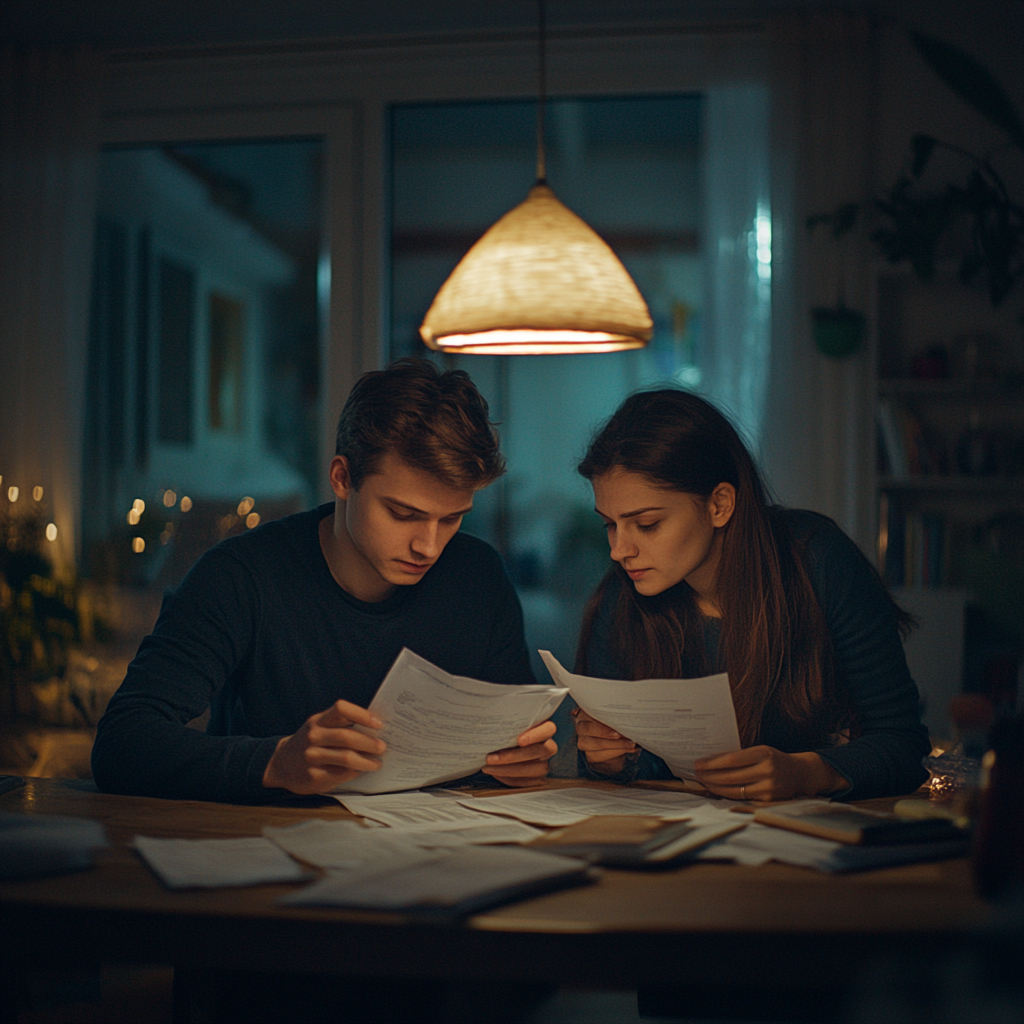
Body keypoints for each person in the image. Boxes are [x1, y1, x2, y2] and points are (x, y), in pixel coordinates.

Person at [92, 358, 557, 802]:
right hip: (266, 853)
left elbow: (516, 741)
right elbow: (122, 743)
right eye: (403, 514)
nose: (429, 547)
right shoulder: (239, 577)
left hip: (440, 854)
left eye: (452, 518)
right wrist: (274, 763)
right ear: (341, 477)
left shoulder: (478, 576)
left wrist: (523, 760)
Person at [571, 389, 930, 801]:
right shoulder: (621, 598)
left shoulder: (816, 560)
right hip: (681, 838)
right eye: (609, 525)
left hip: (815, 842)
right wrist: (610, 759)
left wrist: (810, 772)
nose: (619, 551)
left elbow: (904, 745)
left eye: (647, 524)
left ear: (720, 504)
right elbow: (634, 769)